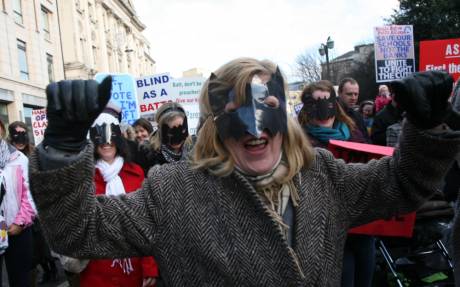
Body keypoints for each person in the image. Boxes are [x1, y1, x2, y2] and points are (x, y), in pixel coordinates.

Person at [28, 59, 460, 286]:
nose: (254, 128)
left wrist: (429, 127)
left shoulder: (324, 177)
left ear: (285, 117)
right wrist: (63, 149)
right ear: (214, 123)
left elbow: (402, 184)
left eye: (266, 107)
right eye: (233, 111)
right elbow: (78, 231)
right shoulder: (174, 192)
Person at [298, 81, 373, 287]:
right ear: (306, 106)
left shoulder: (353, 131)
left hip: (363, 224)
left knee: (364, 279)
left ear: (335, 103)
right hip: (330, 230)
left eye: (327, 102)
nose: (323, 110)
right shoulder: (299, 140)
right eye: (315, 103)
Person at [78, 102, 159, 286]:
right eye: (100, 135)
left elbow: (147, 224)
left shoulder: (136, 173)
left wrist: (150, 266)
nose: (106, 142)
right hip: (97, 271)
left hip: (134, 268)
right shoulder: (83, 177)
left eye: (111, 134)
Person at [0, 119, 36, 287]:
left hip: (17, 231)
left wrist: (20, 222)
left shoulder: (19, 159)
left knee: (21, 280)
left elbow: (30, 195)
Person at [137, 102, 193, 175]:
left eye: (181, 129)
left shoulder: (196, 148)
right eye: (170, 132)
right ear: (159, 129)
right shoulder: (147, 153)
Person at [337, 77, 370, 142]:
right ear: (339, 93)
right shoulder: (331, 115)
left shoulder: (358, 115)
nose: (353, 98)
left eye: (356, 94)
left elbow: (367, 139)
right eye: (349, 94)